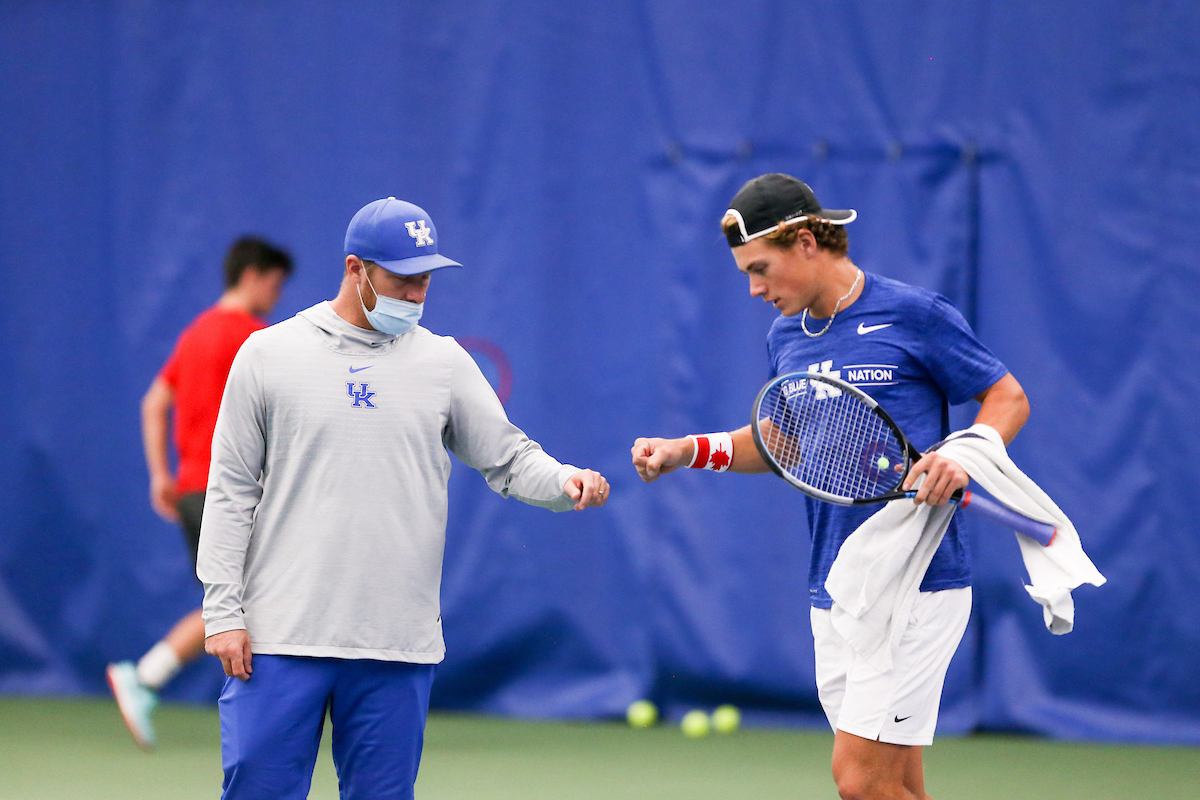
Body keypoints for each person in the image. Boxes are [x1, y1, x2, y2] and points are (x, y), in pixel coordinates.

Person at [632, 174, 1029, 800]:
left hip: (915, 584)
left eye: (762, 269)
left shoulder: (913, 314)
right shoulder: (784, 336)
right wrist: (689, 450)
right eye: (746, 275)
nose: (756, 289)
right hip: (838, 584)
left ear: (808, 243)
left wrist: (966, 454)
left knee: (860, 784)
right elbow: (783, 443)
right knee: (897, 786)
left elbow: (1006, 397)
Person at [198, 197, 611, 800]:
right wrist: (222, 612)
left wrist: (563, 481)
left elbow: (508, 457)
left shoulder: (443, 361)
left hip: (395, 643)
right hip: (278, 638)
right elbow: (230, 489)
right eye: (403, 279)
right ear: (355, 268)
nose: (417, 296)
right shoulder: (267, 355)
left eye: (425, 281)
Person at [108, 236, 293, 750]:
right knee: (249, 606)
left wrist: (159, 475)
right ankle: (148, 679)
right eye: (275, 284)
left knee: (233, 604)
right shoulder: (256, 338)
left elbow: (153, 403)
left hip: (191, 490)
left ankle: (147, 676)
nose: (277, 296)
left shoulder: (194, 334)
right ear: (253, 275)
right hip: (229, 493)